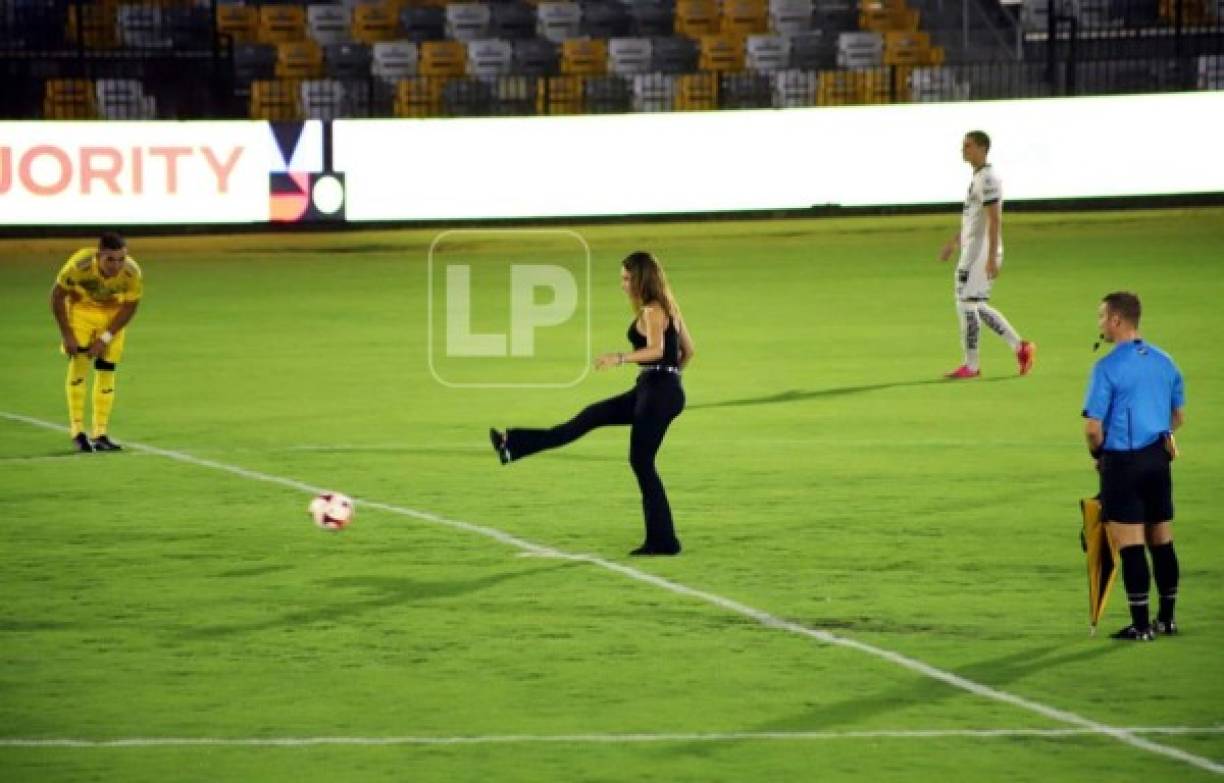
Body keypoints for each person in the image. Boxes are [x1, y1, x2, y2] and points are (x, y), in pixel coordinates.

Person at [490, 251, 695, 556]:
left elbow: (656, 349)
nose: (623, 284)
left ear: (641, 278)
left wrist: (621, 359)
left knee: (641, 461)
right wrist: (669, 378)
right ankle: (512, 444)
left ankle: (664, 540)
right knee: (590, 417)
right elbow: (688, 352)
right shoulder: (669, 309)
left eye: (627, 278)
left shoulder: (653, 311)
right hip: (654, 389)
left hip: (656, 392)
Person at [1083, 291, 1185, 641]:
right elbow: (1178, 415)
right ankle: (1167, 619)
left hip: (1123, 462)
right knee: (1162, 539)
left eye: (1102, 317)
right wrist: (1160, 435)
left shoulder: (1107, 367)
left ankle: (1141, 626)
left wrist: (1100, 457)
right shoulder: (1164, 361)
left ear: (1116, 320)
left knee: (1130, 545)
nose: (1100, 324)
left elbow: (1093, 428)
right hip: (1158, 458)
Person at [939, 130, 1036, 379]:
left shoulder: (988, 179)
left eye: (968, 146)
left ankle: (972, 365)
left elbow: (994, 220)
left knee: (966, 304)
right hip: (975, 251)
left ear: (982, 148)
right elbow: (975, 220)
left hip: (979, 254)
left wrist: (991, 256)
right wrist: (954, 243)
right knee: (975, 304)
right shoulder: (980, 177)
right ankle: (1020, 347)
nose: (964, 150)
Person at [50, 232, 143, 453]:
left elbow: (130, 307)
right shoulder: (79, 265)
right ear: (98, 255)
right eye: (110, 259)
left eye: (121, 259)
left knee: (107, 369)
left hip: (112, 317)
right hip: (82, 311)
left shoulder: (132, 272)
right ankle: (78, 431)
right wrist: (67, 335)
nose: (116, 265)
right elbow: (56, 296)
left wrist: (105, 338)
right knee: (80, 365)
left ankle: (100, 433)